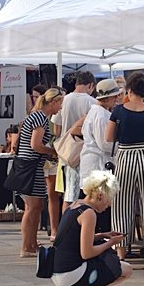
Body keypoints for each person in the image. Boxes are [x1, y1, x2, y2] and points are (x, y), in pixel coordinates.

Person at [105, 71, 144, 270]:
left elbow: (108, 137)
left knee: (122, 205)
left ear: (129, 90)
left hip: (125, 157)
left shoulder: (118, 112)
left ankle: (121, 254)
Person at [52, 170, 132, 286]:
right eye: (109, 199)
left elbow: (74, 239)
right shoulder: (89, 214)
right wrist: (110, 243)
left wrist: (102, 235)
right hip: (70, 274)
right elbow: (87, 253)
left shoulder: (75, 205)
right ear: (100, 195)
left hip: (59, 270)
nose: (110, 204)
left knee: (101, 253)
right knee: (126, 270)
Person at [17, 88, 64, 257]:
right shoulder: (40, 117)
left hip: (30, 165)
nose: (60, 108)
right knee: (32, 207)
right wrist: (52, 151)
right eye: (60, 103)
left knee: (35, 206)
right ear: (53, 102)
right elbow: (35, 144)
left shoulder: (36, 115)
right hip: (30, 165)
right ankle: (26, 246)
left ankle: (30, 243)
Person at [53, 71, 97, 215]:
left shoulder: (64, 100)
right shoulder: (92, 102)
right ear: (90, 85)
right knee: (83, 194)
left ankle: (64, 226)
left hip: (66, 151)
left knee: (68, 194)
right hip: (84, 151)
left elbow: (56, 127)